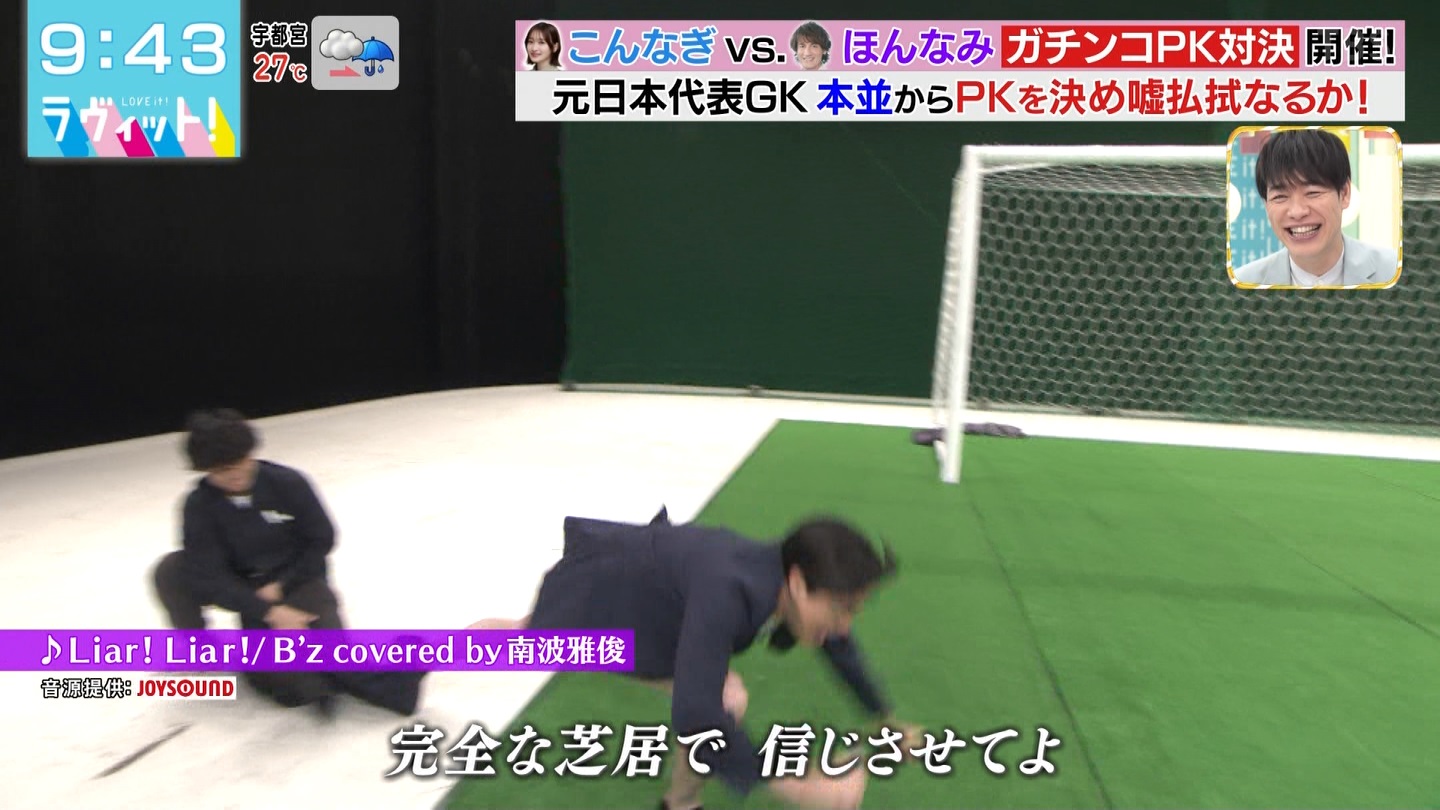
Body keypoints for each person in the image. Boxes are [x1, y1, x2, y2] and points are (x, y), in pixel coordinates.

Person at [470, 507, 916, 810]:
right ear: (799, 584)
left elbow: (839, 646)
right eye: (842, 609)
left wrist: (886, 719)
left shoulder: (779, 573)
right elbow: (695, 714)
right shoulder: (729, 589)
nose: (844, 625)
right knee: (720, 700)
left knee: (519, 637)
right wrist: (800, 786)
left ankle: (680, 803)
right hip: (606, 599)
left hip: (644, 602)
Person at [151, 409, 426, 719]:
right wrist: (266, 611)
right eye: (219, 470)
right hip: (245, 591)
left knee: (316, 670)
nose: (233, 474)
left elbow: (320, 540)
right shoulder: (198, 505)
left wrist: (282, 586)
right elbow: (209, 573)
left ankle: (402, 663)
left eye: (239, 462)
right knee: (171, 569)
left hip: (299, 582)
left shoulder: (288, 484)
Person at [1232, 128, 1399, 287]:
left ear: (1345, 193)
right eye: (1280, 197)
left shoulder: (1395, 271)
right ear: (1266, 204)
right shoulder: (1243, 283)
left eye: (1312, 193)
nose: (1297, 212)